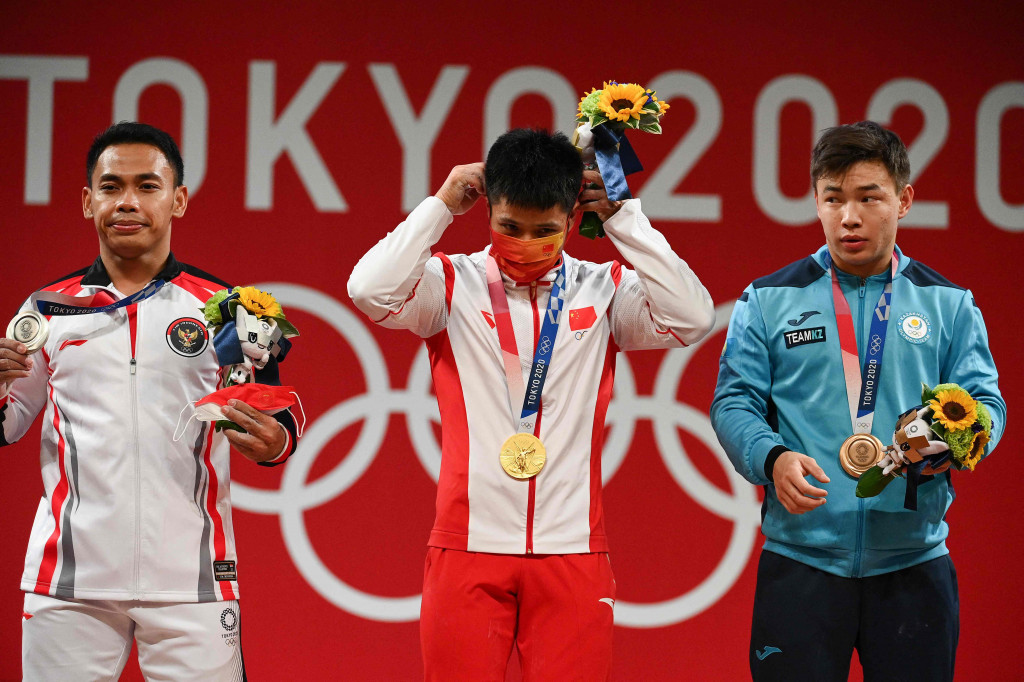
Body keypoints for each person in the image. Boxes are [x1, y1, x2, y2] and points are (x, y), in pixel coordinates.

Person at [348, 128, 714, 679]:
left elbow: (694, 316)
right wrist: (440, 207)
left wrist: (623, 220)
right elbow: (368, 289)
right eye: (508, 227)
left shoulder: (605, 289)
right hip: (466, 547)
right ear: (487, 210)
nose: (524, 242)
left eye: (545, 230)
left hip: (572, 552)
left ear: (573, 217)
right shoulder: (451, 285)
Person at [0, 122, 299, 681]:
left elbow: (279, 421)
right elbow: (7, 424)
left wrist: (275, 441)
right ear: (88, 202)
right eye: (111, 187)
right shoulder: (44, 311)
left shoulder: (229, 309)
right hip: (69, 584)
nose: (128, 202)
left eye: (148, 185)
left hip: (194, 584)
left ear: (178, 199)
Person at [711, 120, 1005, 681]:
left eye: (869, 198)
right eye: (833, 199)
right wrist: (771, 459)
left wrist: (959, 442)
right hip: (800, 564)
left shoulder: (949, 304)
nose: (849, 216)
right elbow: (734, 402)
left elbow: (988, 404)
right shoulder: (768, 300)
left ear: (904, 200)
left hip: (915, 566)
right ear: (816, 202)